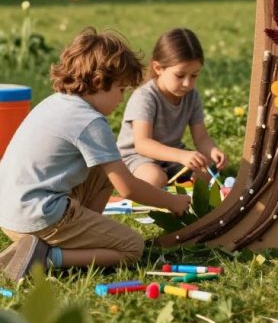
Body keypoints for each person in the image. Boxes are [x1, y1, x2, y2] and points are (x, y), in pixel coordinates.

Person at [0, 28, 191, 283]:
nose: (121, 99)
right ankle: (46, 257)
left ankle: (79, 237)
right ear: (100, 82)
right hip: (39, 218)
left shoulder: (54, 103)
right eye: (121, 89)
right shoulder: (90, 122)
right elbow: (128, 188)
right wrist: (171, 202)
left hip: (10, 214)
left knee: (105, 173)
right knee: (132, 247)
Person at [118, 27, 227, 187]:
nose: (187, 83)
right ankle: (140, 184)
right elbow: (142, 144)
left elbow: (201, 138)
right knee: (154, 179)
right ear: (158, 68)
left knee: (205, 176)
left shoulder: (192, 95)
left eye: (194, 75)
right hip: (136, 157)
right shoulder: (145, 97)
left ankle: (172, 185)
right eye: (180, 75)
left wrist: (212, 151)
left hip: (172, 156)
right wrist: (181, 156)